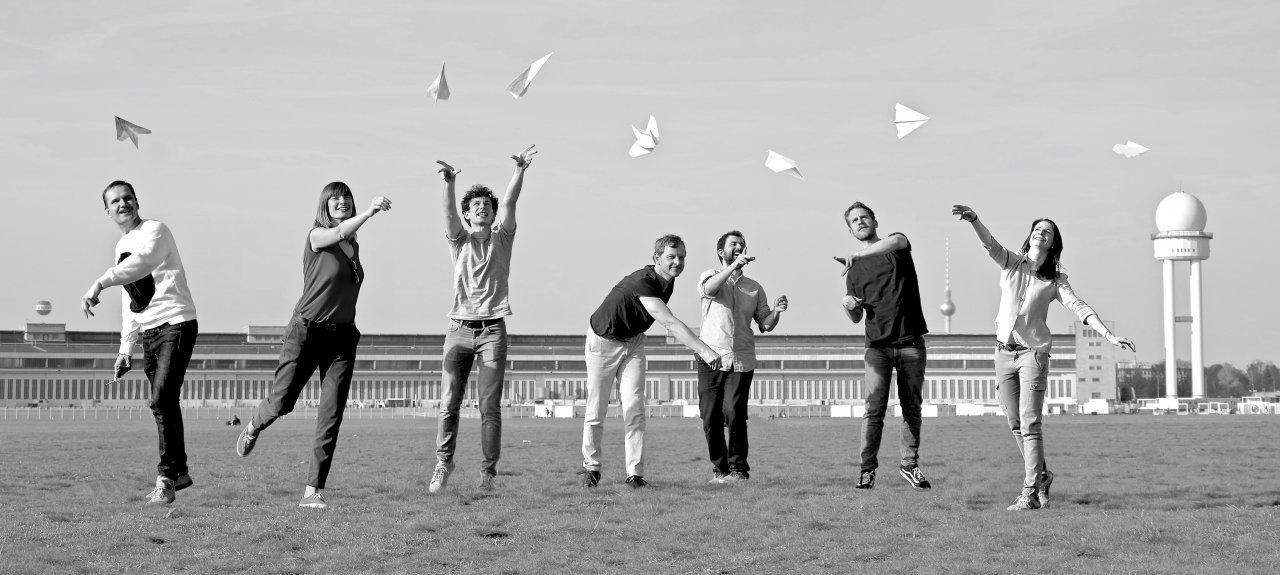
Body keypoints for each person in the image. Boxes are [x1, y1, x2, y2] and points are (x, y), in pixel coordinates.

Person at [951, 204, 1135, 511]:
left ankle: (1030, 493)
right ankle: (1043, 476)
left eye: (1047, 231)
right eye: (1037, 229)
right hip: (1003, 353)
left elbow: (1080, 308)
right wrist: (975, 220)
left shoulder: (1056, 280)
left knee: (1030, 423)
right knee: (1014, 423)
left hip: (1033, 355)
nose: (1041, 233)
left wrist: (1108, 335)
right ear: (1030, 237)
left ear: (1053, 243)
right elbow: (990, 245)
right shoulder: (1010, 263)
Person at [235, 182, 391, 509]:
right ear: (324, 206)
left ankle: (312, 490)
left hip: (342, 338)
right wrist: (370, 212)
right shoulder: (316, 236)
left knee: (330, 414)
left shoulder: (353, 246)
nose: (342, 201)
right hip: (306, 333)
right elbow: (336, 234)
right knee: (281, 403)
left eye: (347, 197)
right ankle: (254, 424)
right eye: (335, 198)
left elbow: (346, 239)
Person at [81, 180, 200, 505]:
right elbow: (131, 303)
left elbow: (144, 261)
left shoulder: (155, 230)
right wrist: (125, 349)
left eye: (127, 198)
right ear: (107, 211)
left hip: (176, 322)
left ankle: (166, 478)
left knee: (161, 399)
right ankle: (181, 473)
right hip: (148, 331)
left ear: (137, 201)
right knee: (164, 404)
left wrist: (101, 282)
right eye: (115, 201)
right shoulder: (121, 248)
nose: (123, 204)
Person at [429, 146, 536, 494]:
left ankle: (487, 473)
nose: (482, 208)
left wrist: (519, 171)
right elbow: (447, 214)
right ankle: (443, 464)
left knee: (490, 407)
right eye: (475, 206)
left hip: (493, 331)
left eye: (486, 206)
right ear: (467, 214)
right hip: (457, 330)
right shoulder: (458, 241)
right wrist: (450, 183)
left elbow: (509, 203)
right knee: (449, 404)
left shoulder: (502, 239)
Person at [579, 235, 724, 488]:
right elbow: (668, 322)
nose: (677, 262)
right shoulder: (644, 282)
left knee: (635, 409)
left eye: (681, 257)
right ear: (657, 258)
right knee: (596, 409)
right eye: (671, 257)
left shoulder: (668, 282)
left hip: (633, 342)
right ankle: (591, 468)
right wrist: (705, 350)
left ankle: (634, 475)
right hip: (603, 342)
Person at [834, 202, 932, 491]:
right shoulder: (852, 270)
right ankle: (867, 471)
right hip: (876, 346)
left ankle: (909, 465)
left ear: (875, 221)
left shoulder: (895, 248)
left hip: (910, 341)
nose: (861, 222)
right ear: (850, 230)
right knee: (873, 410)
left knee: (912, 408)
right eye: (854, 220)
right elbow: (856, 317)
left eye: (865, 217)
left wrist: (858, 254)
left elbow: (899, 239)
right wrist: (847, 305)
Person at [696, 230, 787, 484]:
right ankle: (720, 470)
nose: (739, 247)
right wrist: (734, 266)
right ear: (720, 252)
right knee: (710, 416)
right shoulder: (709, 276)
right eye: (733, 244)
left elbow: (765, 324)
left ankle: (738, 470)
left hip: (742, 358)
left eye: (742, 245)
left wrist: (777, 312)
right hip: (710, 355)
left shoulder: (754, 288)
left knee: (735, 412)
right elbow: (710, 290)